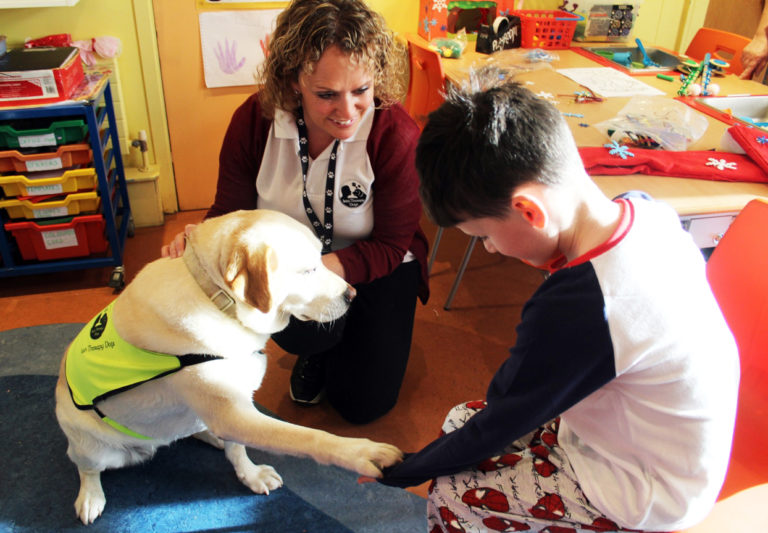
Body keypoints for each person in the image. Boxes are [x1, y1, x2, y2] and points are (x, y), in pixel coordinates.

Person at [376, 72, 739, 532]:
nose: (488, 248)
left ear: (530, 210)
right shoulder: (644, 207)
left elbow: (503, 416)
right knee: (460, 420)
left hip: (646, 489)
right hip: (667, 444)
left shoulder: (584, 303)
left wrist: (405, 470)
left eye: (485, 235)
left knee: (451, 493)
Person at [162, 0, 429, 425]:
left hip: (378, 262)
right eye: (326, 95)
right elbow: (230, 213)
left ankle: (349, 342)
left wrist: (318, 271)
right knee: (307, 330)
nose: (347, 113)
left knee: (362, 406)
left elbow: (393, 244)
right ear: (292, 82)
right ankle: (318, 349)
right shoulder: (253, 120)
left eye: (361, 90)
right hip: (299, 264)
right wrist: (198, 238)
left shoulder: (395, 133)